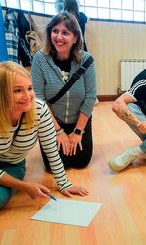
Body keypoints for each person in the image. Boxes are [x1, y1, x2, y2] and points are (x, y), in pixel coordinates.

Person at [0, 61, 87, 216]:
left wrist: (64, 184)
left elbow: (51, 151)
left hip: (11, 163)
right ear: (0, 93)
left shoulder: (40, 109)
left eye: (30, 88)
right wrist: (25, 186)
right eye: (17, 91)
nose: (27, 96)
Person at [32, 13, 97, 171]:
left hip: (79, 122)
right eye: (55, 31)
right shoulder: (39, 59)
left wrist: (78, 132)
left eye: (65, 32)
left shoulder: (87, 60)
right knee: (53, 166)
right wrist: (59, 131)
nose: (59, 37)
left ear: (75, 38)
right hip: (52, 122)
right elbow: (39, 100)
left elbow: (90, 97)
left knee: (81, 162)